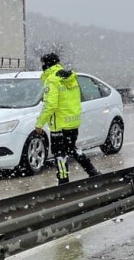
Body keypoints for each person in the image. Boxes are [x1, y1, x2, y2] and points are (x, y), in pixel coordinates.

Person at [35, 53, 100, 184]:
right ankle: (92, 171)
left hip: (59, 124)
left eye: (42, 63)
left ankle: (63, 180)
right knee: (72, 148)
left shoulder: (52, 80)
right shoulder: (69, 77)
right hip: (72, 121)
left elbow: (50, 105)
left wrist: (39, 123)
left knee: (59, 154)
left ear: (47, 64)